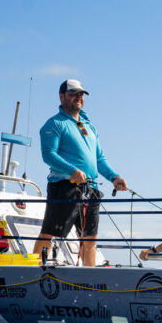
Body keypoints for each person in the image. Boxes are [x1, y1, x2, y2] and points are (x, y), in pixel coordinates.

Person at [33, 79, 127, 266]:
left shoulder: (89, 127)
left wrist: (114, 177)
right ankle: (34, 269)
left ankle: (90, 277)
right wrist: (72, 170)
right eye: (73, 93)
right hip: (64, 187)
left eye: (81, 94)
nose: (79, 97)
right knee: (49, 233)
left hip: (90, 189)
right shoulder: (54, 124)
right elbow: (48, 155)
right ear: (62, 96)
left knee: (90, 237)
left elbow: (99, 159)